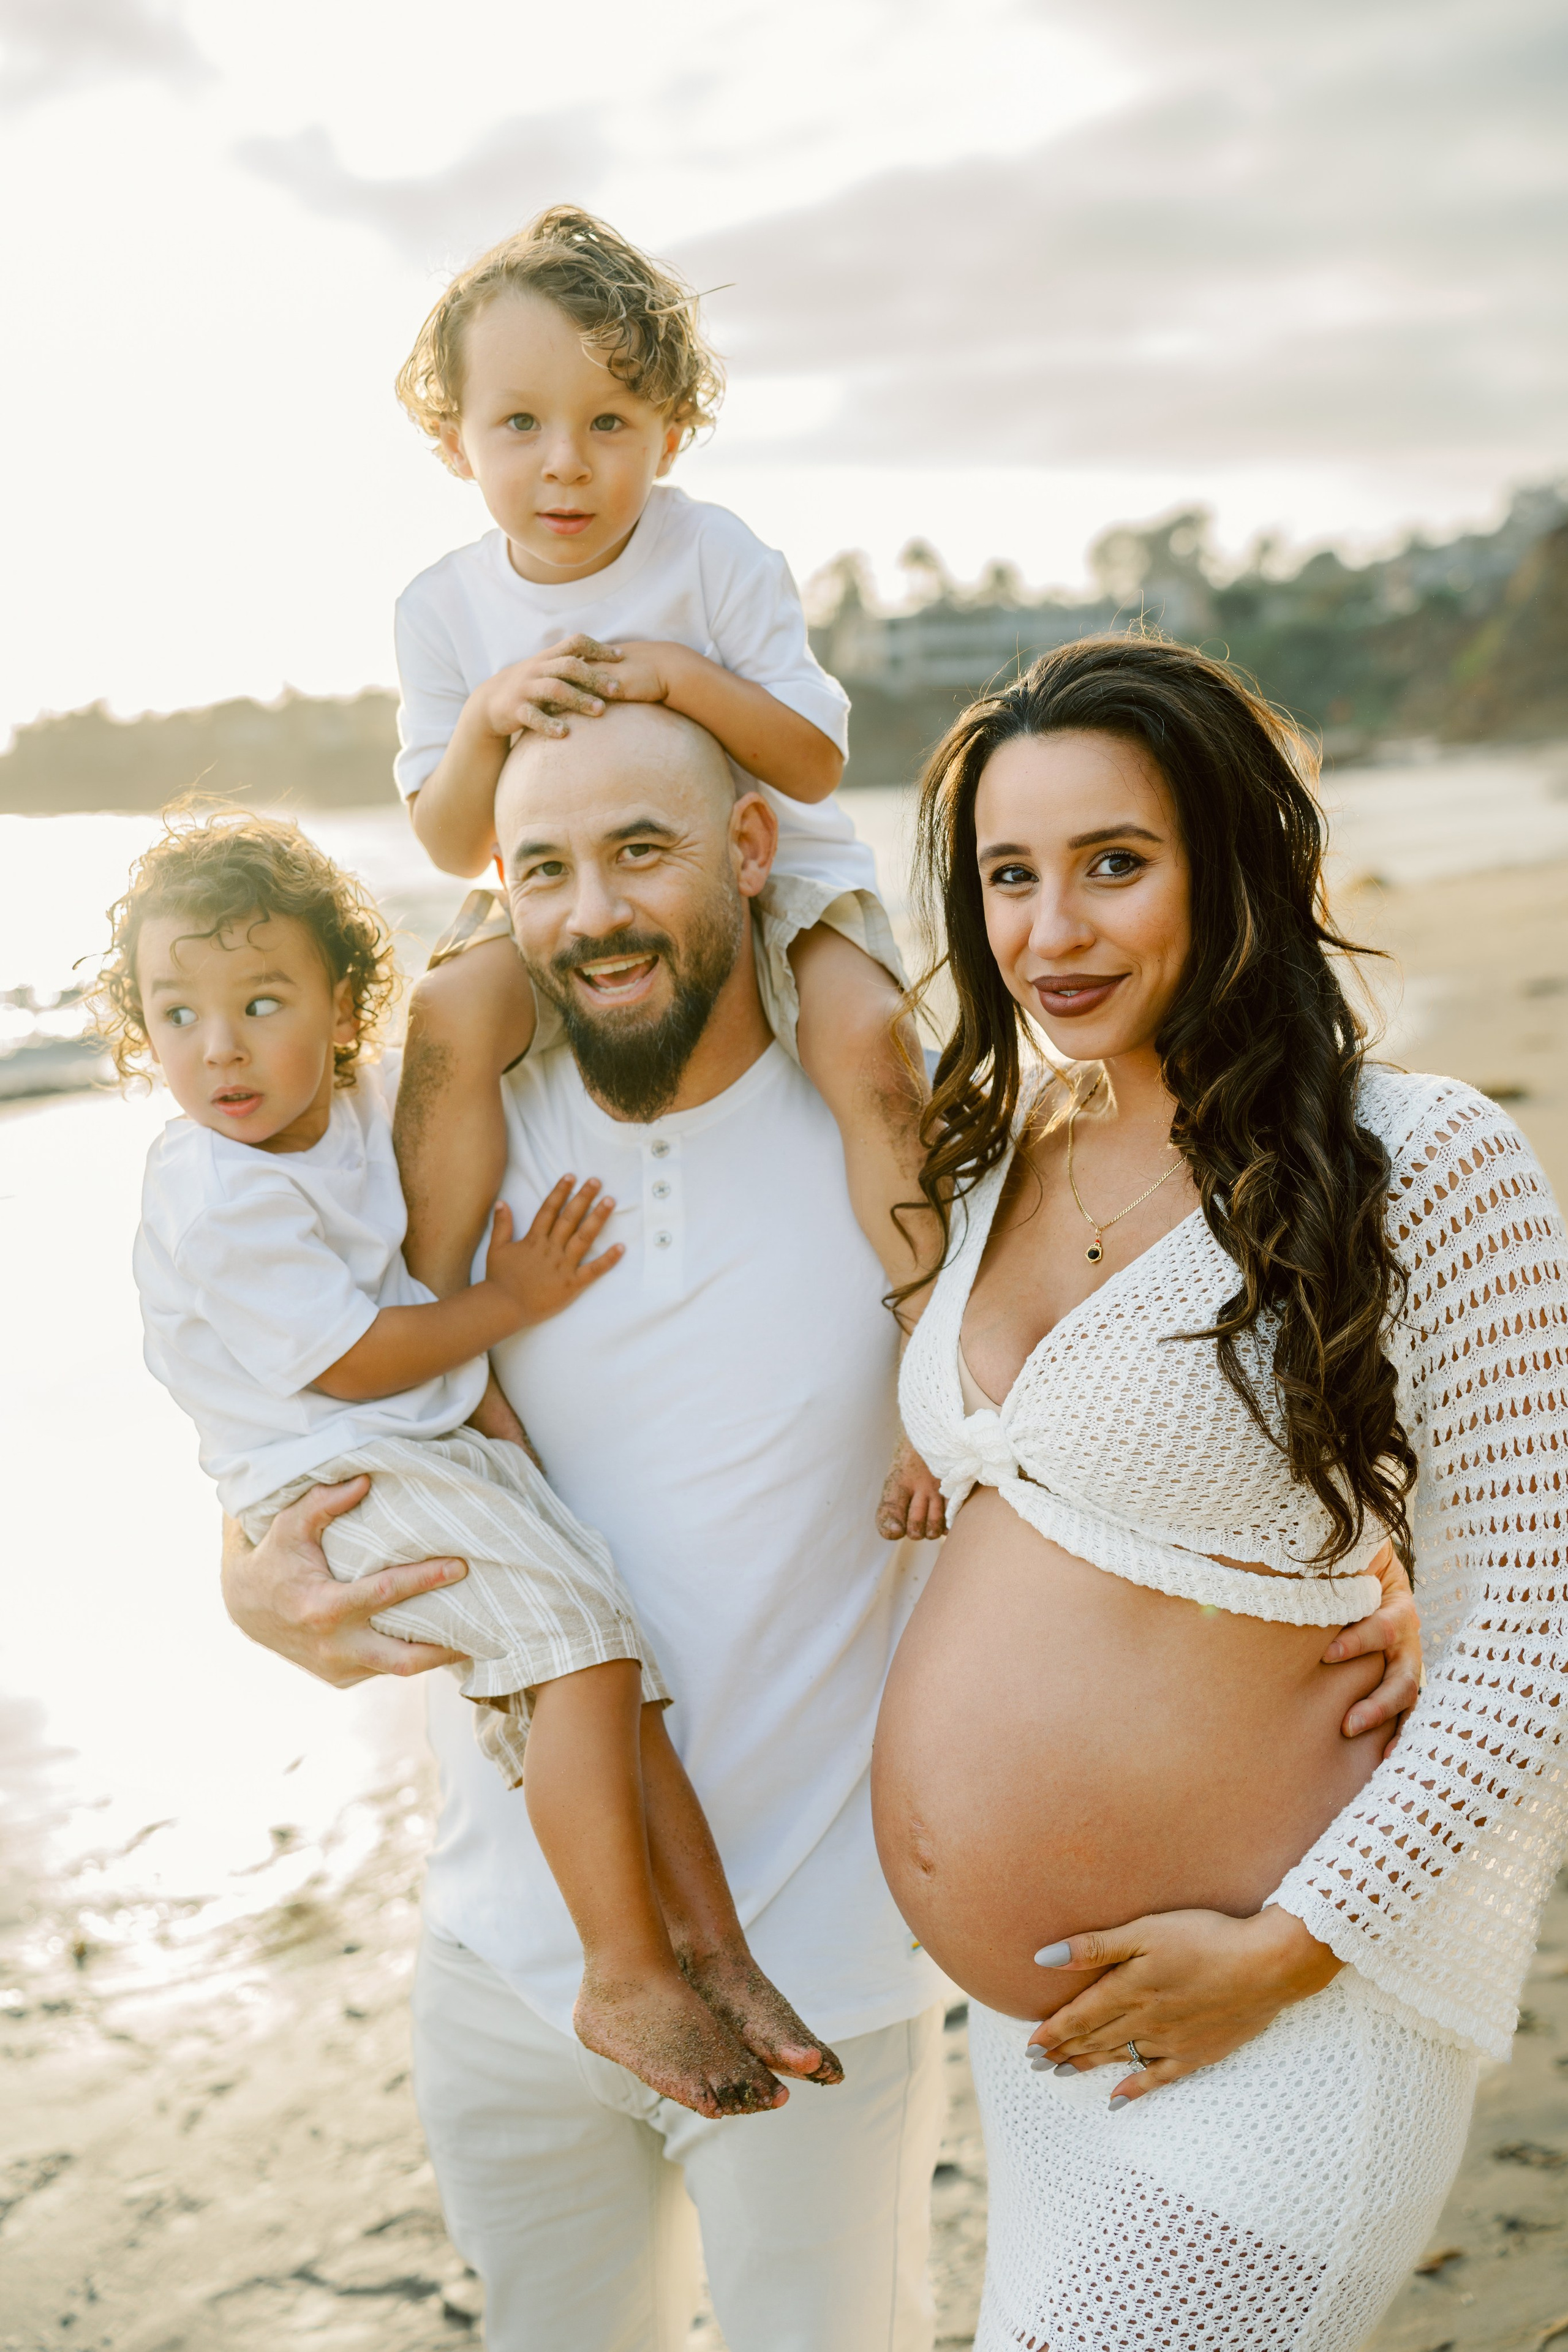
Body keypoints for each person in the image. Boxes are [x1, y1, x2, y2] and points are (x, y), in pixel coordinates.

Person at [220, 703, 951, 2352]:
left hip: (820, 1962)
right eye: (542, 868)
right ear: (497, 892)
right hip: (496, 1961)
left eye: (642, 851)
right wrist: (251, 1593)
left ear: (751, 852)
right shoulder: (440, 1158)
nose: (593, 914)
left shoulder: (892, 1142)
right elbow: (290, 1421)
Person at [874, 633, 1568, 2349]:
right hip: (1047, 2059)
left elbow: (1539, 1630)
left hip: (1291, 2020)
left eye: (1116, 864)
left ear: (1236, 865)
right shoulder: (998, 1157)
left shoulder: (1422, 1156)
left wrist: (1290, 1951)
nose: (1053, 933)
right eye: (1009, 878)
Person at [102, 805, 842, 2122]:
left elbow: (461, 983)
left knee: (622, 1681)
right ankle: (623, 1972)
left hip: (412, 1449)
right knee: (582, 1657)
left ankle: (715, 1956)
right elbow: (354, 1360)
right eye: (174, 1015)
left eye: (261, 1002)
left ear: (342, 1009)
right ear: (137, 1026)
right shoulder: (216, 1191)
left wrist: (532, 877)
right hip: (333, 1470)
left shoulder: (344, 1101)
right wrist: (513, 1299)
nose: (217, 1049)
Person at [389, 200, 918, 1273]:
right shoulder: (440, 610)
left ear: (671, 430)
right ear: (456, 444)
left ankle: (925, 1300)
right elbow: (451, 847)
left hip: (771, 869)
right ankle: (435, 1306)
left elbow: (813, 764)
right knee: (447, 1015)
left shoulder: (714, 555)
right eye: (520, 425)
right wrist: (490, 717)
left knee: (865, 1034)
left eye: (610, 423)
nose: (567, 464)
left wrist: (680, 679)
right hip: (554, 889)